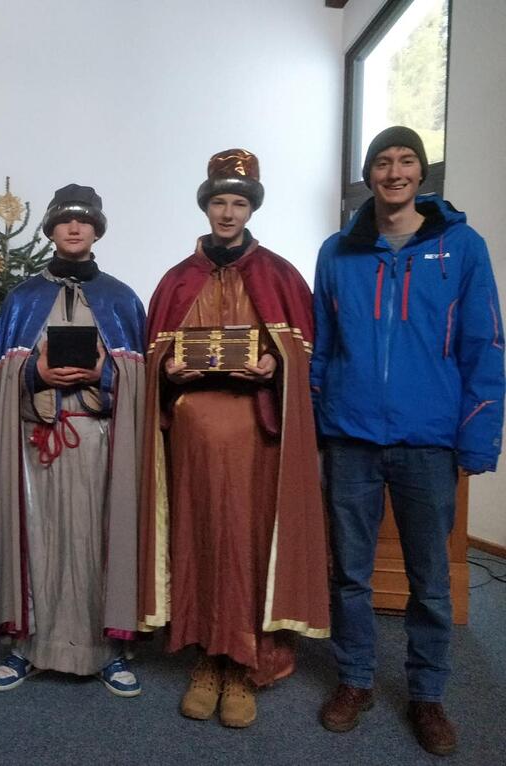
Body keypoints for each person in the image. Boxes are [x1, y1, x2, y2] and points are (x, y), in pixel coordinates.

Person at [312, 126, 504, 756]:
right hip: (350, 437)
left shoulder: (461, 247)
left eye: (406, 161)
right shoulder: (337, 252)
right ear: (368, 175)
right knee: (350, 573)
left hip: (429, 441)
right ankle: (355, 680)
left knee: (430, 579)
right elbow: (323, 347)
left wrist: (478, 439)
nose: (393, 172)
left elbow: (484, 345)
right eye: (382, 162)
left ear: (422, 173)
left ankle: (427, 694)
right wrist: (317, 423)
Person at [139, 150, 329, 728]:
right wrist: (169, 371)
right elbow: (152, 366)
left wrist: (276, 366)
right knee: (199, 538)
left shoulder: (280, 277)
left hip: (256, 438)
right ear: (206, 206)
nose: (228, 212)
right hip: (192, 439)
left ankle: (244, 662)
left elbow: (306, 358)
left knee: (246, 543)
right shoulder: (177, 280)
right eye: (219, 201)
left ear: (251, 208)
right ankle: (206, 658)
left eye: (238, 203)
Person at [0, 184, 146, 697]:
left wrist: (103, 373)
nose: (75, 228)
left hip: (98, 439)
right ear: (51, 229)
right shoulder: (22, 299)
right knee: (39, 537)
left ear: (97, 230)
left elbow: (143, 382)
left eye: (85, 220)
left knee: (94, 539)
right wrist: (37, 373)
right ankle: (28, 647)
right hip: (38, 440)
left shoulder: (121, 299)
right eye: (65, 220)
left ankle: (105, 651)